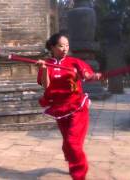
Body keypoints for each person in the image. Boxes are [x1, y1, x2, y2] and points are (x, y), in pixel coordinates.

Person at [36, 33, 102, 180]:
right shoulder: (46, 64)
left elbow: (86, 74)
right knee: (68, 141)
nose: (65, 48)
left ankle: (79, 175)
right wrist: (45, 68)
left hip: (78, 106)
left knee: (73, 142)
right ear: (52, 47)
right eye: (61, 46)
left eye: (67, 45)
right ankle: (71, 157)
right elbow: (46, 86)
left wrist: (92, 76)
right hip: (59, 108)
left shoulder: (74, 62)